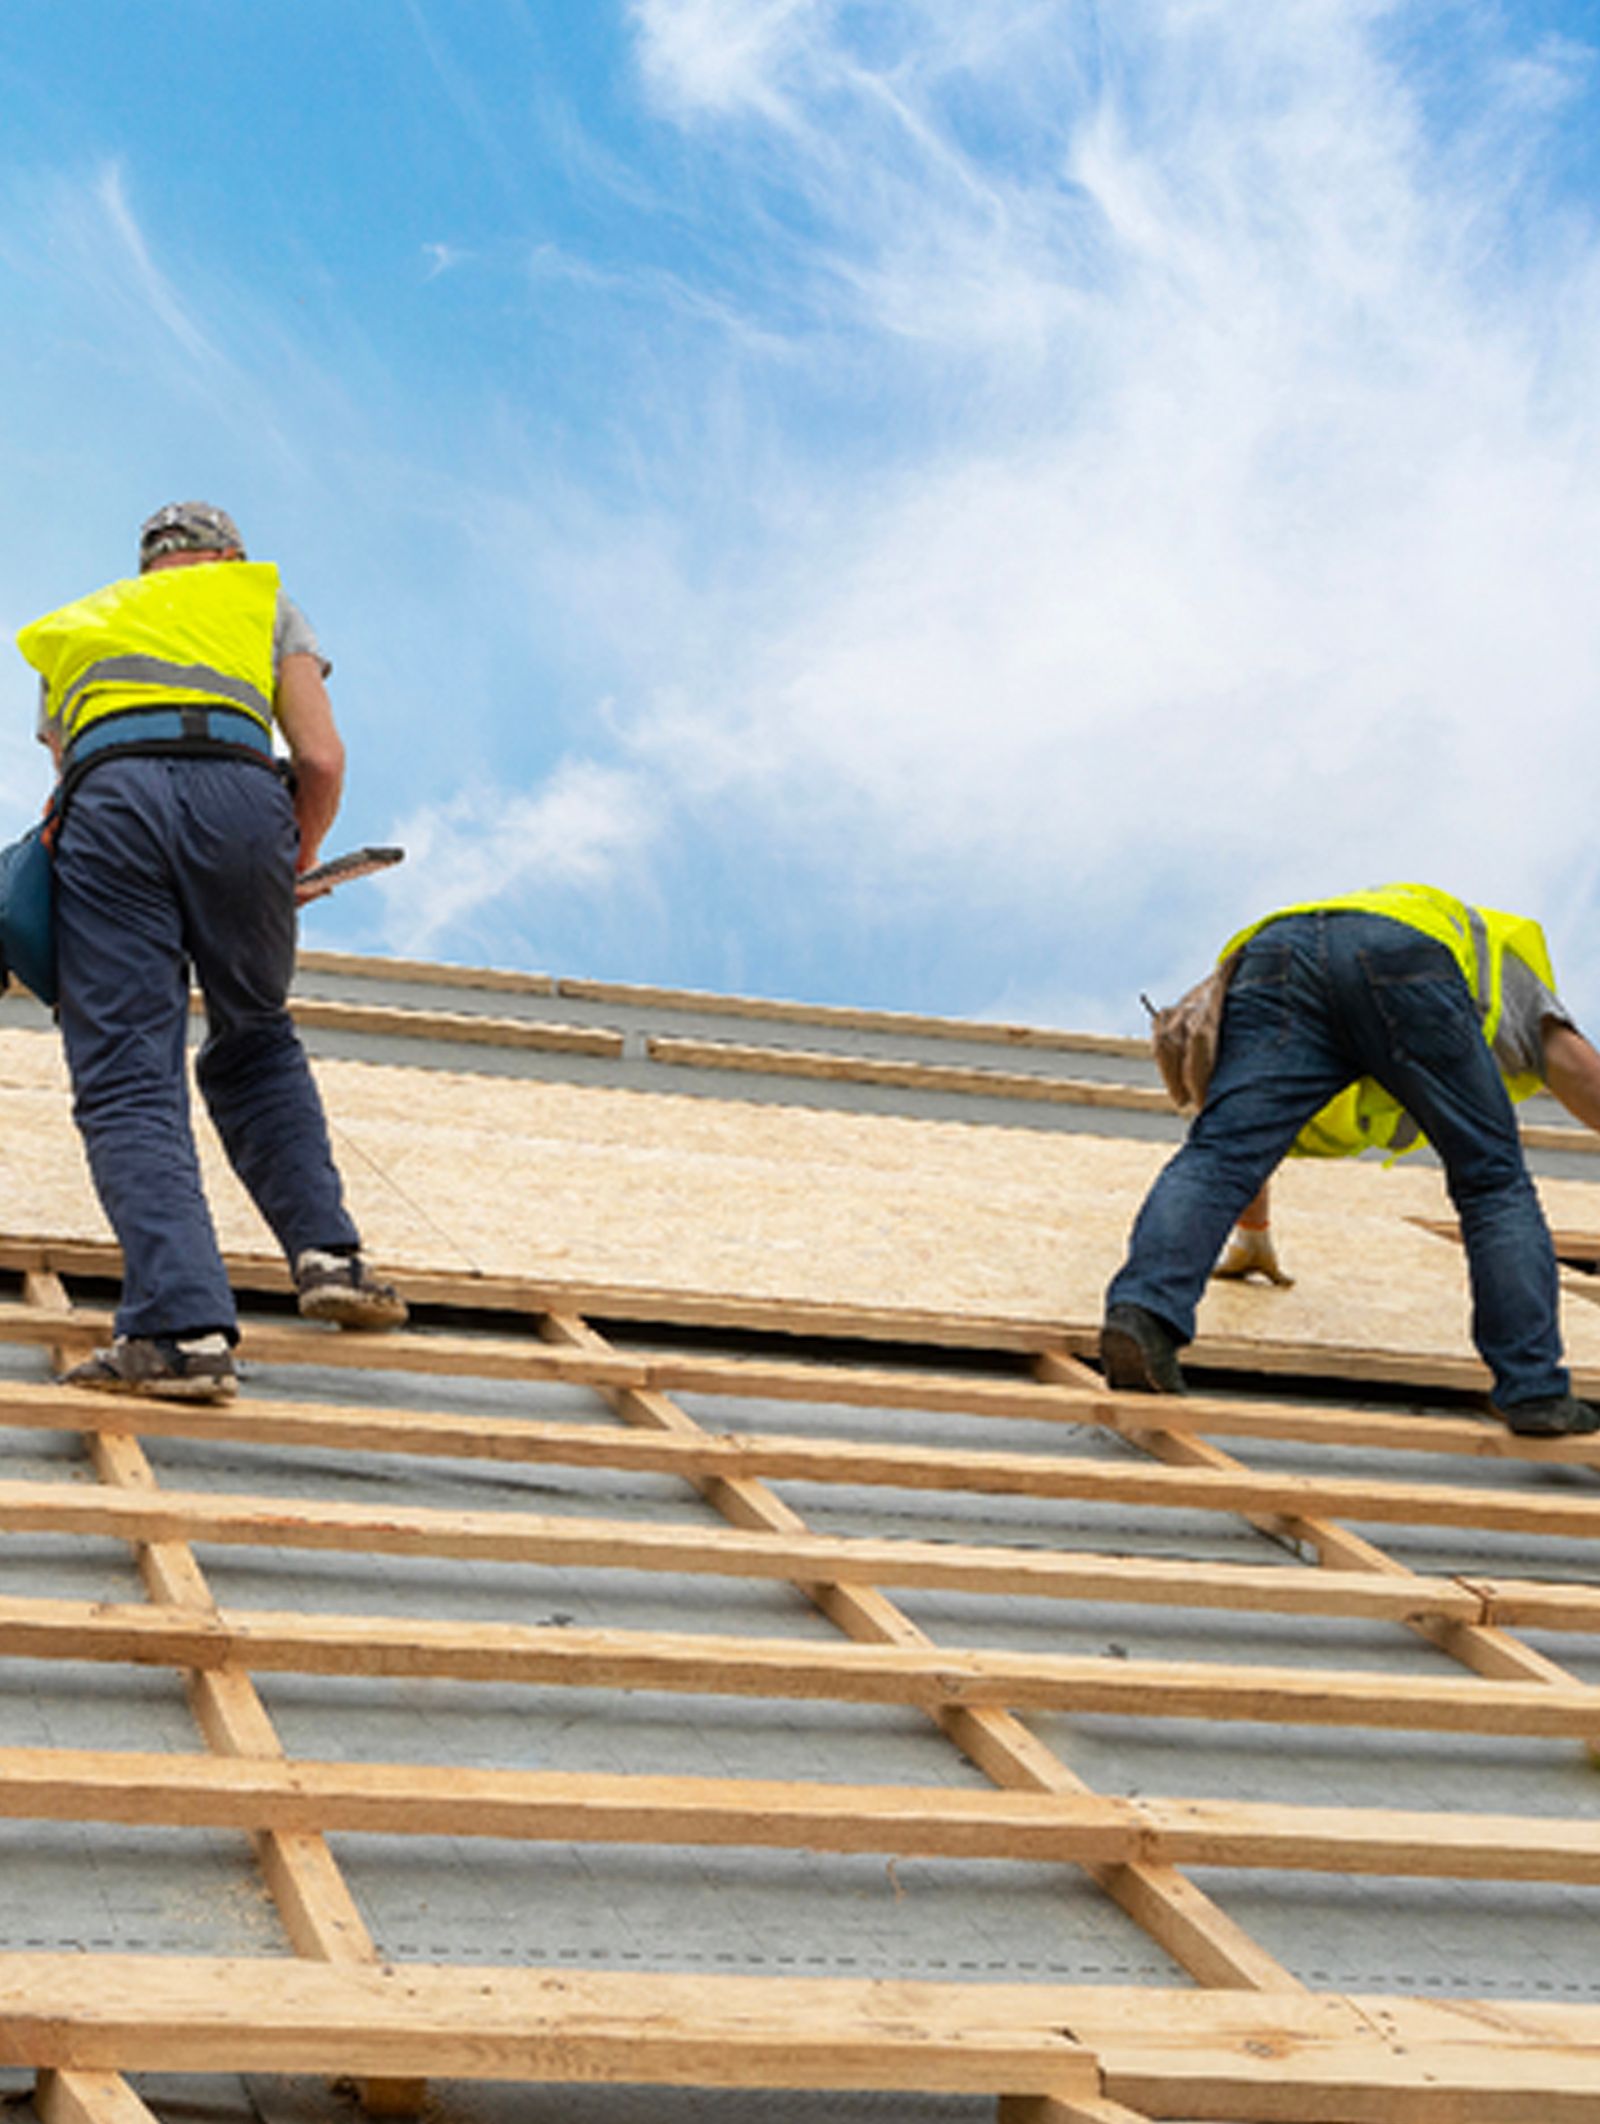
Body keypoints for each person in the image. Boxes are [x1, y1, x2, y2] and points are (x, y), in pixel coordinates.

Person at [17, 500, 406, 1403]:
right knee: (257, 1037)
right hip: (242, 802)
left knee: (127, 1074)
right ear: (227, 554)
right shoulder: (262, 601)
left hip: (109, 805)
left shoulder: (83, 623)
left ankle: (181, 1332)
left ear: (148, 566)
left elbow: (71, 767)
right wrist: (290, 857)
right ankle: (331, 1261)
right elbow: (320, 759)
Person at [1101, 883, 1600, 1439]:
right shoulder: (1502, 964)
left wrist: (1254, 1232)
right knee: (1494, 1184)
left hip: (1273, 955)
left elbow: (1236, 1153)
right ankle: (1535, 1391)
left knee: (1219, 1153)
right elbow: (1581, 1072)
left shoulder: (1336, 941)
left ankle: (1142, 1318)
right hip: (1408, 963)